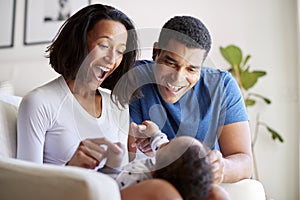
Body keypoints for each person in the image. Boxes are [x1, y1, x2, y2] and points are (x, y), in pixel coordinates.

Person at [17, 4, 184, 200]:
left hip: (110, 194)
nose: (111, 59)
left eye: (120, 51)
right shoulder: (39, 102)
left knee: (212, 191)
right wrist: (71, 169)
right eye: (104, 46)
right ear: (79, 42)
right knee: (163, 193)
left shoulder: (117, 105)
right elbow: (24, 189)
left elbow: (119, 177)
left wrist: (142, 150)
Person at [126, 15, 253, 184]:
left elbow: (244, 161)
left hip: (207, 185)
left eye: (191, 69)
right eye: (170, 63)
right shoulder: (133, 77)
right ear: (156, 52)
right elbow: (126, 155)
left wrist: (221, 167)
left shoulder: (222, 86)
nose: (177, 78)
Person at [101, 120, 230, 200]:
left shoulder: (138, 176)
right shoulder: (191, 186)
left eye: (169, 143)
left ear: (154, 172)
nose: (164, 143)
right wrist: (155, 134)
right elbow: (163, 147)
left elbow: (110, 189)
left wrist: (111, 166)